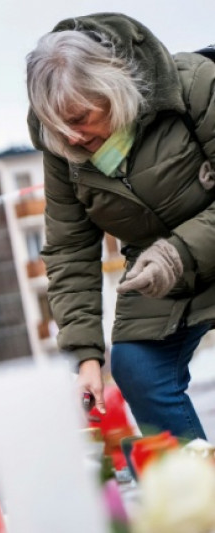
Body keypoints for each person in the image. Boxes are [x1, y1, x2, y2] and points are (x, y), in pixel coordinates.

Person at [26, 13, 215, 440]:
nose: (72, 138)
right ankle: (192, 477)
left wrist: (177, 254)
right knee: (138, 368)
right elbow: (69, 250)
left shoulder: (195, 85)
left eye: (79, 118)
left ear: (112, 88)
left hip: (182, 251)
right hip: (158, 270)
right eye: (58, 127)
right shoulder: (64, 147)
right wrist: (86, 357)